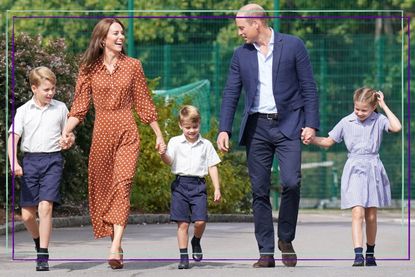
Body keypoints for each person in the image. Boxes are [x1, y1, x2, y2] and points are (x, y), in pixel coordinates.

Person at [217, 3, 319, 268]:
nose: (239, 32)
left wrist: (311, 124)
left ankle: (285, 238)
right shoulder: (241, 55)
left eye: (241, 27)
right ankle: (265, 251)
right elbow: (231, 92)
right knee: (259, 191)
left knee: (292, 182)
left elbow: (309, 87)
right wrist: (224, 128)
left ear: (256, 23)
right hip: (257, 129)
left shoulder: (293, 45)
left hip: (289, 125)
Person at [61, 18, 165, 270]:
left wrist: (158, 134)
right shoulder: (89, 69)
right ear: (102, 38)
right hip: (101, 135)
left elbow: (143, 102)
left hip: (127, 132)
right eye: (115, 33)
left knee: (123, 184)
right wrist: (66, 131)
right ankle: (115, 241)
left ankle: (115, 246)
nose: (121, 37)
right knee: (106, 190)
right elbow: (80, 107)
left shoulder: (133, 66)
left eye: (122, 33)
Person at [310, 88, 401, 266]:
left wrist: (383, 105)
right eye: (356, 108)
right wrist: (311, 138)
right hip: (354, 169)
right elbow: (328, 142)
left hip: (373, 167)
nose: (359, 113)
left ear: (373, 106)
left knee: (372, 216)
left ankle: (370, 253)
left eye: (364, 110)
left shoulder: (380, 120)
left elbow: (396, 127)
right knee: (357, 212)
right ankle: (358, 254)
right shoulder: (346, 121)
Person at [7, 66, 75, 271]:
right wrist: (14, 163)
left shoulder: (61, 108)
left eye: (53, 88)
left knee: (45, 206)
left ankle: (43, 255)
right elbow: (13, 138)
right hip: (30, 162)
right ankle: (38, 242)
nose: (51, 93)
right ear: (34, 88)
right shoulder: (23, 111)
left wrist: (69, 140)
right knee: (27, 215)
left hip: (53, 160)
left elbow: (69, 134)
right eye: (46, 89)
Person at [159, 105, 221, 269]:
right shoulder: (175, 142)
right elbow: (169, 161)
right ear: (181, 126)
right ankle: (184, 257)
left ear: (199, 123)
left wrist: (217, 188)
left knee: (200, 221)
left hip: (198, 185)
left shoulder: (206, 144)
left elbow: (212, 166)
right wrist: (162, 154)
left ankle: (196, 241)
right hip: (180, 185)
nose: (192, 130)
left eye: (195, 127)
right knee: (183, 224)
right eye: (188, 127)